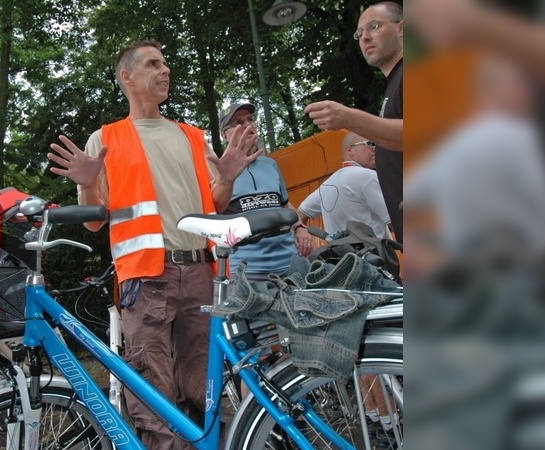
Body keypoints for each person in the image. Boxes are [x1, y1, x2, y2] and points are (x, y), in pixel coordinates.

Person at [46, 39, 260, 450]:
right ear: (127, 78)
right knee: (151, 389)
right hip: (146, 277)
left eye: (165, 64)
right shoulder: (105, 139)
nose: (165, 70)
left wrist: (228, 178)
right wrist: (89, 182)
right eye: (152, 64)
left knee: (205, 387)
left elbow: (212, 205)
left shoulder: (191, 136)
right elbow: (93, 221)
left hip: (202, 271)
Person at [304, 1, 403, 244]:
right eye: (359, 33)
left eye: (374, 26)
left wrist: (349, 117)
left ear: (402, 28)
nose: (365, 37)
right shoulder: (395, 83)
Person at [218, 102, 313, 278]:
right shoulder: (217, 169)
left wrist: (300, 227)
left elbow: (284, 205)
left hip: (289, 263)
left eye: (250, 119)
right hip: (246, 269)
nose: (247, 125)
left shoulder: (270, 164)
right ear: (224, 135)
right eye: (238, 123)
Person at [295, 131, 391, 240]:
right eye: (370, 143)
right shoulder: (367, 176)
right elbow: (396, 221)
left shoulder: (326, 186)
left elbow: (299, 214)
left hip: (342, 255)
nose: (375, 148)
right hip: (376, 253)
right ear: (350, 150)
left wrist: (301, 233)